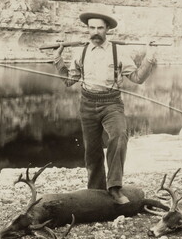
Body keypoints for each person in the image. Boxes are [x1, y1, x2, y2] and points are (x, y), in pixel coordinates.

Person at [52, 12, 157, 204]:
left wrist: (149, 58)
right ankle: (95, 190)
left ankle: (115, 187)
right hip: (87, 104)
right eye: (92, 28)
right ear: (88, 29)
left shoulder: (118, 52)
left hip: (112, 103)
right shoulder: (81, 52)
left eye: (100, 28)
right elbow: (69, 81)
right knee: (92, 150)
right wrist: (58, 59)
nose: (95, 32)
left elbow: (137, 78)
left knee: (119, 136)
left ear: (107, 30)